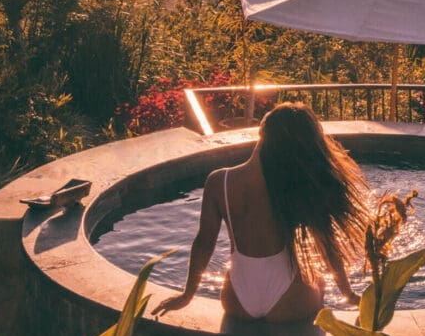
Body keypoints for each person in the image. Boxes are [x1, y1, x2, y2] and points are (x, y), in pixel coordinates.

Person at [153, 102, 372, 322]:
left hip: (236, 299)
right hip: (290, 299)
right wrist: (349, 294)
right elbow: (327, 246)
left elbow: (204, 242)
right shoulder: (295, 186)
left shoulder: (219, 181)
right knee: (320, 282)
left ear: (261, 131)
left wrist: (187, 295)